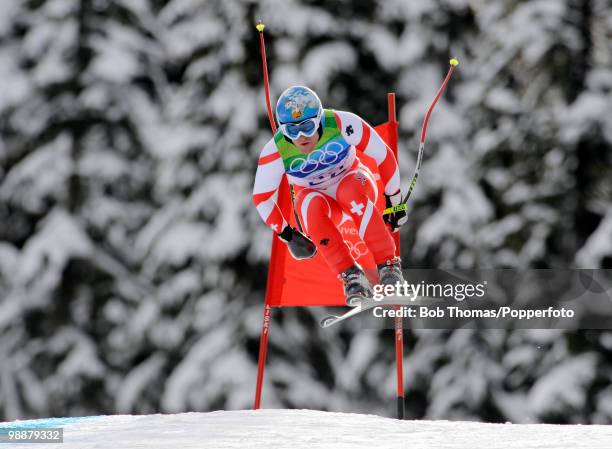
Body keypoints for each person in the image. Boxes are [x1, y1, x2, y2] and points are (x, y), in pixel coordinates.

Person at [252, 86, 407, 304]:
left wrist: (395, 202)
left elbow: (383, 155)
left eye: (307, 126)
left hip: (355, 180)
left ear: (319, 119)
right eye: (292, 131)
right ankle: (352, 276)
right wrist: (287, 234)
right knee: (308, 207)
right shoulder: (276, 150)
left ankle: (389, 266)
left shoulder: (342, 123)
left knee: (348, 191)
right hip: (318, 198)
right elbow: (261, 198)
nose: (302, 136)